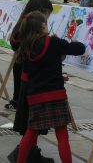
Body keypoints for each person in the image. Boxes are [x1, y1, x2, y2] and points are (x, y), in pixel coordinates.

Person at [15, 11, 85, 163]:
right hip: (56, 95)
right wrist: (77, 41)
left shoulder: (27, 47)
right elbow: (79, 49)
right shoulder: (53, 42)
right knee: (62, 135)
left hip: (35, 96)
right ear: (42, 26)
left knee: (31, 132)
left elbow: (29, 75)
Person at [7, 0, 54, 163]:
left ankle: (30, 153)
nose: (47, 20)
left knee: (31, 120)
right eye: (46, 15)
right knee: (32, 120)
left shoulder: (23, 25)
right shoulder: (26, 29)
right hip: (29, 79)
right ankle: (23, 154)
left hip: (25, 76)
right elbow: (15, 43)